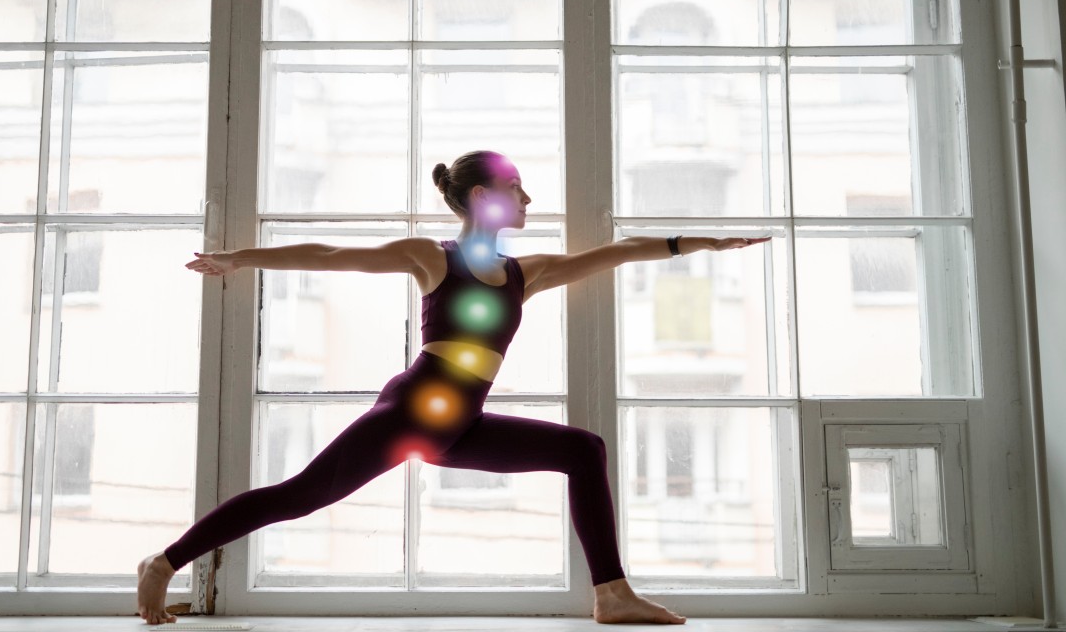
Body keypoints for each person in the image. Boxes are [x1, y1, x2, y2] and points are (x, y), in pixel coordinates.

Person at [136, 150, 768, 625]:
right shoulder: (433, 257)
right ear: (479, 197)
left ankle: (612, 594)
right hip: (413, 412)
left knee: (585, 450)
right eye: (515, 188)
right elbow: (331, 256)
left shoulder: (529, 272)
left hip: (462, 423)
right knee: (299, 496)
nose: (528, 197)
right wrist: (240, 259)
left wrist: (701, 243)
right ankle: (162, 564)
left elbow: (620, 251)